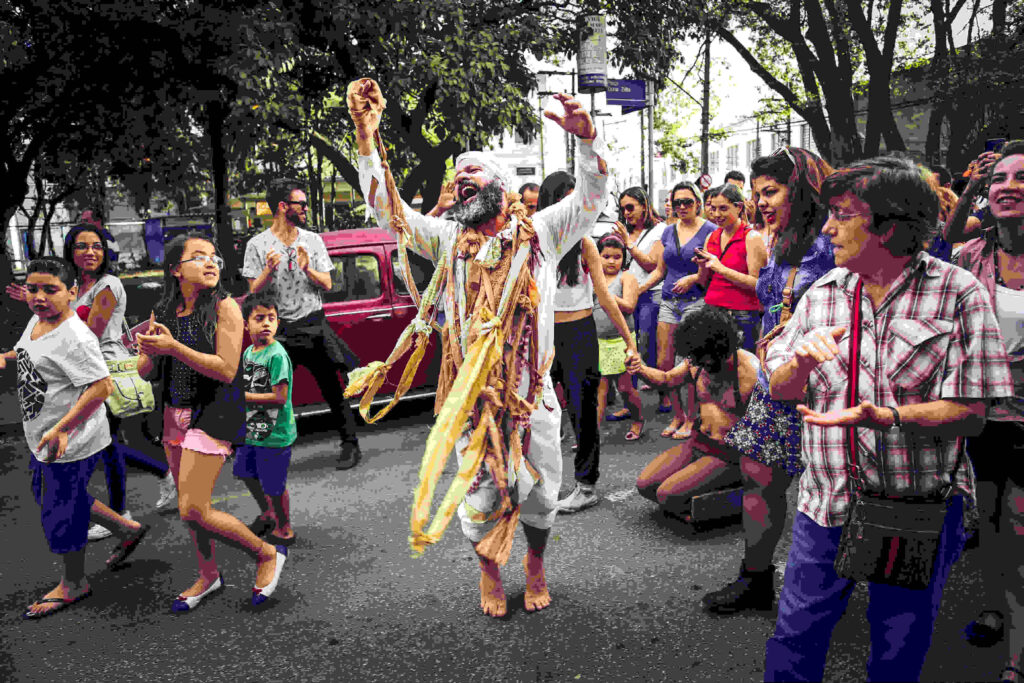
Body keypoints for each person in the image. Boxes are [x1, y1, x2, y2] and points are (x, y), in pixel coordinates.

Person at [350, 79, 620, 617]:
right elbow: (390, 212)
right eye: (456, 177)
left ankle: (535, 563)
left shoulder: (541, 232)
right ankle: (489, 571)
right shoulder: (446, 239)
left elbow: (591, 198)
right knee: (480, 499)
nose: (460, 181)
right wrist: (365, 134)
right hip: (471, 401)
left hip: (531, 398)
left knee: (543, 496)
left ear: (500, 187)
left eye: (472, 172)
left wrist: (588, 139)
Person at [762, 156, 1013, 682]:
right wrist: (801, 362)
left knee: (898, 648)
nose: (826, 228)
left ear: (890, 222)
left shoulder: (958, 293)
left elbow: (972, 415)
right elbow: (783, 391)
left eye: (841, 215)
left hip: (916, 508)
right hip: (825, 504)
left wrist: (887, 416)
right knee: (795, 639)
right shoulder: (824, 292)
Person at [703, 147, 835, 615]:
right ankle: (755, 578)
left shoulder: (835, 243)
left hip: (829, 384)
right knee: (758, 474)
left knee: (831, 491)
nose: (761, 201)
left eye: (771, 191)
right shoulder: (778, 241)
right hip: (776, 378)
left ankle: (826, 592)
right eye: (757, 193)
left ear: (801, 189)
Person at [137, 233, 287, 611]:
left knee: (191, 508)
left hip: (214, 412)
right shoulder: (166, 309)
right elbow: (146, 372)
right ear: (175, 269)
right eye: (198, 256)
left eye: (213, 256)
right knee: (194, 506)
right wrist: (150, 353)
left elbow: (226, 369)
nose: (210, 262)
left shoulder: (226, 307)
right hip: (174, 413)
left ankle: (267, 552)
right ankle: (208, 575)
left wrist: (174, 347)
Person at [6, 257, 148, 619]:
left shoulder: (75, 337)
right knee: (53, 495)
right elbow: (29, 354)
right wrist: (7, 358)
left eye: (50, 290)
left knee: (60, 511)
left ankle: (73, 583)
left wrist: (64, 428)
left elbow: (101, 387)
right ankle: (126, 528)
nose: (39, 297)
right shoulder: (39, 321)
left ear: (72, 292)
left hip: (70, 442)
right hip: (46, 435)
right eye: (33, 288)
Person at [952, 140, 1024, 682]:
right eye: (999, 178)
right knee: (993, 522)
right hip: (986, 417)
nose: (1009, 186)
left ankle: (1017, 660)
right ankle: (995, 608)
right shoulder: (973, 255)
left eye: (1021, 178)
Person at [55, 225, 176, 543]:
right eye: (81, 246)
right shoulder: (76, 286)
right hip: (85, 374)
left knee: (103, 444)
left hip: (106, 372)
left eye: (96, 246)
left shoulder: (108, 285)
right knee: (106, 444)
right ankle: (160, 475)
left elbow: (89, 332)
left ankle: (122, 514)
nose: (90, 252)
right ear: (70, 252)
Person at [243, 179, 363, 470]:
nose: (306, 208)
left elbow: (328, 283)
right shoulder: (257, 245)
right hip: (280, 331)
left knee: (333, 389)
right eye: (301, 204)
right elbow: (253, 293)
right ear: (283, 207)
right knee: (269, 393)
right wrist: (269, 270)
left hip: (312, 323)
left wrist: (308, 267)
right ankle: (258, 454)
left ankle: (351, 445)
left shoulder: (312, 240)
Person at [545, 172, 637, 513]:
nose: (570, 206)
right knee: (539, 412)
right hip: (544, 336)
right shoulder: (535, 242)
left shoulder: (584, 242)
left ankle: (585, 485)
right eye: (563, 198)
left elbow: (606, 298)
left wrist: (630, 342)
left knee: (582, 411)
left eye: (575, 198)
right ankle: (536, 481)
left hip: (579, 333)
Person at [631, 305, 757, 518]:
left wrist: (757, 480)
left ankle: (743, 495)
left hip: (729, 455)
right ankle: (700, 494)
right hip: (698, 442)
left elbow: (765, 431)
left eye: (704, 359)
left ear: (720, 348)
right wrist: (639, 369)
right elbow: (666, 379)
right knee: (646, 485)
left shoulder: (749, 372)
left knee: (667, 495)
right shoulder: (697, 360)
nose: (700, 365)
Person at [638, 181, 717, 438]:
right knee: (664, 362)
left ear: (698, 204)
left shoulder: (710, 231)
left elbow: (713, 268)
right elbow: (661, 270)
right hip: (669, 301)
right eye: (677, 202)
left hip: (697, 301)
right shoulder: (669, 232)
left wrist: (693, 278)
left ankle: (692, 419)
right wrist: (637, 290)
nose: (682, 207)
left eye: (688, 202)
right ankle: (678, 415)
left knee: (690, 365)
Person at [233, 290, 297, 546]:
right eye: (260, 318)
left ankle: (284, 526)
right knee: (245, 472)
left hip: (275, 434)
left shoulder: (277, 355)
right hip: (253, 430)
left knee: (274, 485)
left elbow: (279, 397)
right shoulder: (249, 352)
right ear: (246, 323)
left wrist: (243, 397)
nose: (267, 323)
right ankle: (268, 512)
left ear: (278, 322)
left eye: (272, 317)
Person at [695, 183, 767, 353]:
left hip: (741, 314)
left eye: (723, 208)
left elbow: (758, 284)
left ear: (738, 207)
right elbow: (703, 281)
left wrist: (720, 268)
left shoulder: (751, 237)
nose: (717, 214)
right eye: (713, 209)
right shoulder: (711, 236)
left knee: (741, 371)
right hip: (712, 311)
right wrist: (702, 266)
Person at [611, 187, 665, 409]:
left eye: (631, 207)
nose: (627, 213)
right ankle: (629, 400)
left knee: (648, 344)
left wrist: (629, 244)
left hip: (650, 293)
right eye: (623, 209)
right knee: (628, 344)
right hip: (624, 295)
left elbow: (652, 264)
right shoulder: (624, 231)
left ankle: (664, 391)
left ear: (644, 205)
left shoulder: (659, 230)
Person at [592, 233, 643, 441]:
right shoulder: (592, 277)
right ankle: (592, 436)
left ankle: (638, 419)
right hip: (597, 341)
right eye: (606, 256)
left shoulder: (626, 277)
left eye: (616, 257)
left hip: (621, 341)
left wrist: (605, 293)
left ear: (624, 258)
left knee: (625, 387)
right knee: (600, 388)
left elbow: (630, 305)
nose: (612, 261)